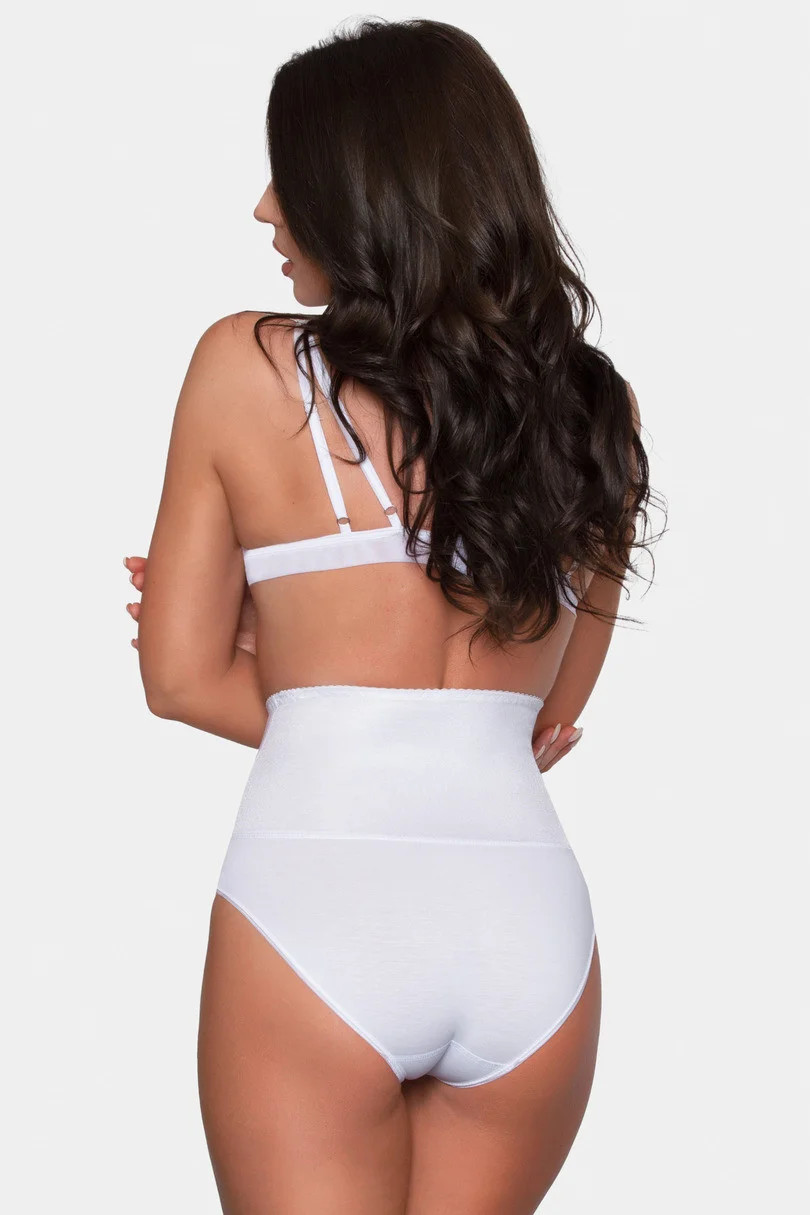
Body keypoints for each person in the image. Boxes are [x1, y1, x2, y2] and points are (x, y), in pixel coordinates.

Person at [124, 18, 655, 1214]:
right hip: (529, 929)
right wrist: (403, 706)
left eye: (290, 177)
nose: (267, 208)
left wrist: (297, 673)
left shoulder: (245, 367)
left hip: (319, 905)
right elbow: (544, 723)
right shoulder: (593, 412)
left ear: (367, 193)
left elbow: (175, 677)